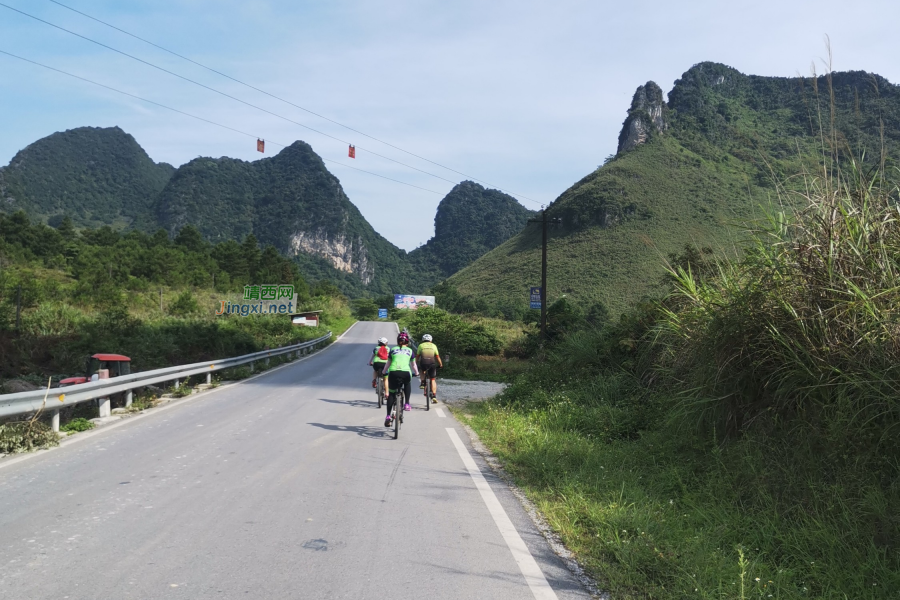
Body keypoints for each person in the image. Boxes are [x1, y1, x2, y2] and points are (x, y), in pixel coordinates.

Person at [382, 331, 419, 426]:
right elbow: (413, 364)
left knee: (391, 393)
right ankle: (407, 403)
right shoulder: (410, 351)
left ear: (398, 341)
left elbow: (388, 363)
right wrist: (417, 373)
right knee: (407, 383)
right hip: (406, 373)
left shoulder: (392, 350)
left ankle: (388, 416)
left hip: (393, 372)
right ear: (407, 342)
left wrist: (383, 372)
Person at [416, 333, 442, 403]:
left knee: (422, 369)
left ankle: (422, 382)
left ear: (423, 340)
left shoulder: (420, 345)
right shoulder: (434, 345)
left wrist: (415, 363)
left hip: (423, 363)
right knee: (433, 379)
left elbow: (417, 356)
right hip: (432, 364)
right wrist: (440, 364)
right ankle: (434, 395)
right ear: (431, 340)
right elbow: (437, 356)